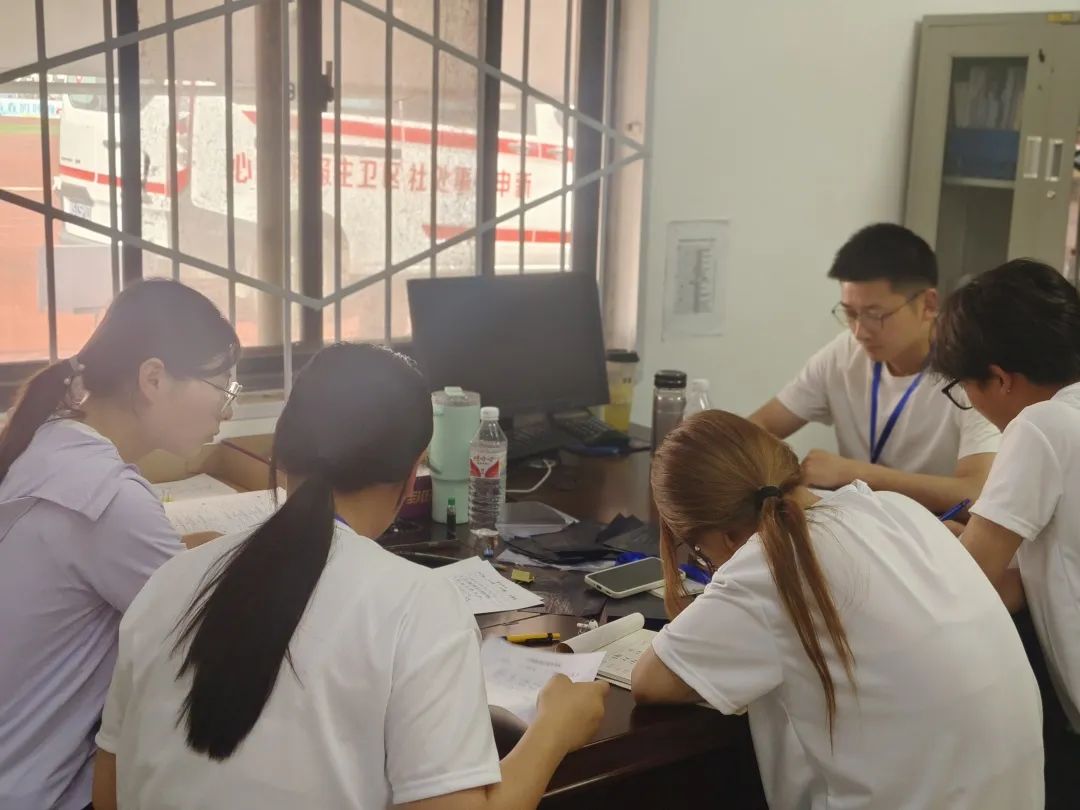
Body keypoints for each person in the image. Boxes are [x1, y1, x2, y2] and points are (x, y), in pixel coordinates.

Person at [91, 343, 608, 810]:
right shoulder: (418, 606)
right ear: (413, 472)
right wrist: (554, 729)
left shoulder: (169, 583)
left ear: (281, 451)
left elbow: (109, 795)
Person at [632, 410, 1042, 809]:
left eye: (699, 552)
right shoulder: (893, 508)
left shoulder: (767, 566)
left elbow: (651, 682)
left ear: (724, 536)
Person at [0, 279, 241, 810]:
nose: (226, 411)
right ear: (153, 378)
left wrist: (191, 552)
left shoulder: (52, 443)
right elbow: (213, 644)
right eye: (222, 387)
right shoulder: (109, 497)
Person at [930, 258, 1080, 807]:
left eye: (966, 388)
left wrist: (927, 546)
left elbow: (967, 583)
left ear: (999, 378)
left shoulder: (1041, 425)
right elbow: (1026, 578)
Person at [749, 223, 999, 513]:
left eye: (875, 314)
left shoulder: (969, 368)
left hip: (935, 532)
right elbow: (758, 427)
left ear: (928, 304)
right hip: (860, 524)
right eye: (850, 313)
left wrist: (856, 474)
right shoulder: (844, 353)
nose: (859, 331)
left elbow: (976, 492)